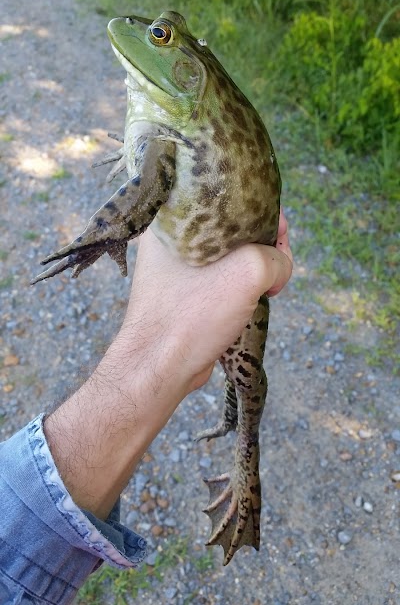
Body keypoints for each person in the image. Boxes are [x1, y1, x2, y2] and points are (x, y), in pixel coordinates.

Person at [0, 213, 293, 604]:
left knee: (245, 403)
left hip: (243, 350)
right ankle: (231, 428)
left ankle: (244, 477)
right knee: (239, 392)